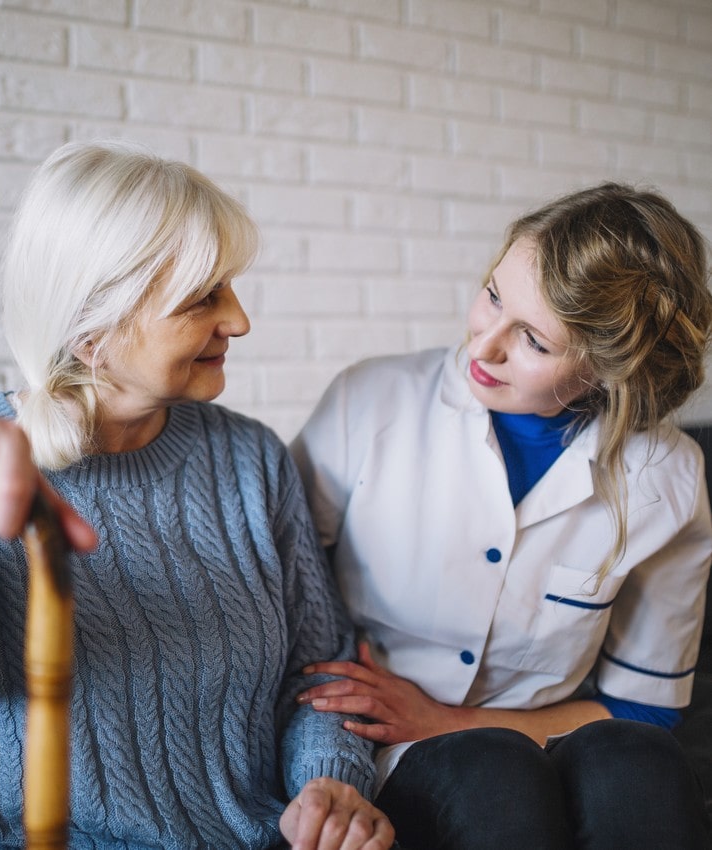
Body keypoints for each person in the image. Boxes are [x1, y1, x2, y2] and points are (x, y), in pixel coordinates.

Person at [0, 140, 394, 850]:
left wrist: (329, 787)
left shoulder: (250, 459)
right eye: (204, 297)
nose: (238, 321)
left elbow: (318, 679)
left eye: (230, 288)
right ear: (92, 329)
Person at [290, 182, 712, 849]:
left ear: (609, 369)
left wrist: (441, 718)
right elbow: (279, 599)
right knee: (492, 773)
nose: (482, 347)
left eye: (534, 342)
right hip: (396, 753)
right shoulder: (367, 401)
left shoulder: (670, 476)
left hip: (557, 736)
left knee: (643, 764)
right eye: (492, 295)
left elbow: (643, 704)